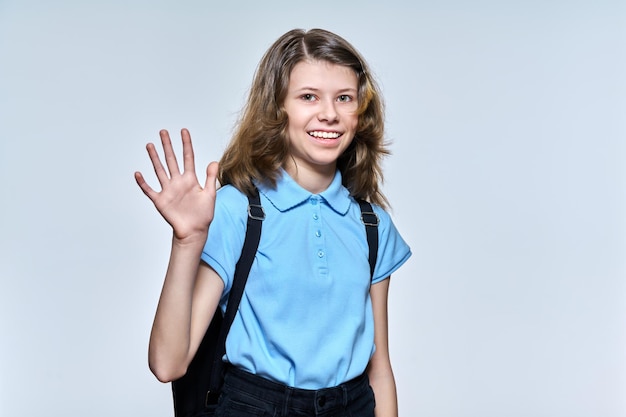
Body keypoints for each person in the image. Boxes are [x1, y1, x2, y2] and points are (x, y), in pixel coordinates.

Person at [135, 28, 411, 417]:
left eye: (344, 98)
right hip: (255, 406)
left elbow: (379, 370)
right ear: (277, 108)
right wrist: (188, 240)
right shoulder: (234, 209)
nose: (329, 113)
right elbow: (168, 364)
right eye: (308, 96)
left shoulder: (372, 225)